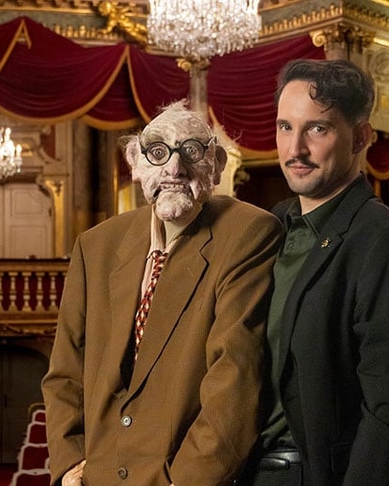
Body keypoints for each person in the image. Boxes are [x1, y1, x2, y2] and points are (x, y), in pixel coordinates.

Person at [41, 100, 283, 486]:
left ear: (217, 164)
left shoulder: (249, 232)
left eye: (191, 151)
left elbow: (236, 377)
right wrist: (71, 466)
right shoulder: (96, 245)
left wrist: (185, 482)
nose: (174, 168)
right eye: (158, 152)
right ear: (135, 163)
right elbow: (66, 371)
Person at [243, 59, 389, 486]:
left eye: (317, 129)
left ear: (360, 137)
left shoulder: (383, 242)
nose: (295, 150)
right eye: (285, 127)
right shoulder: (270, 225)